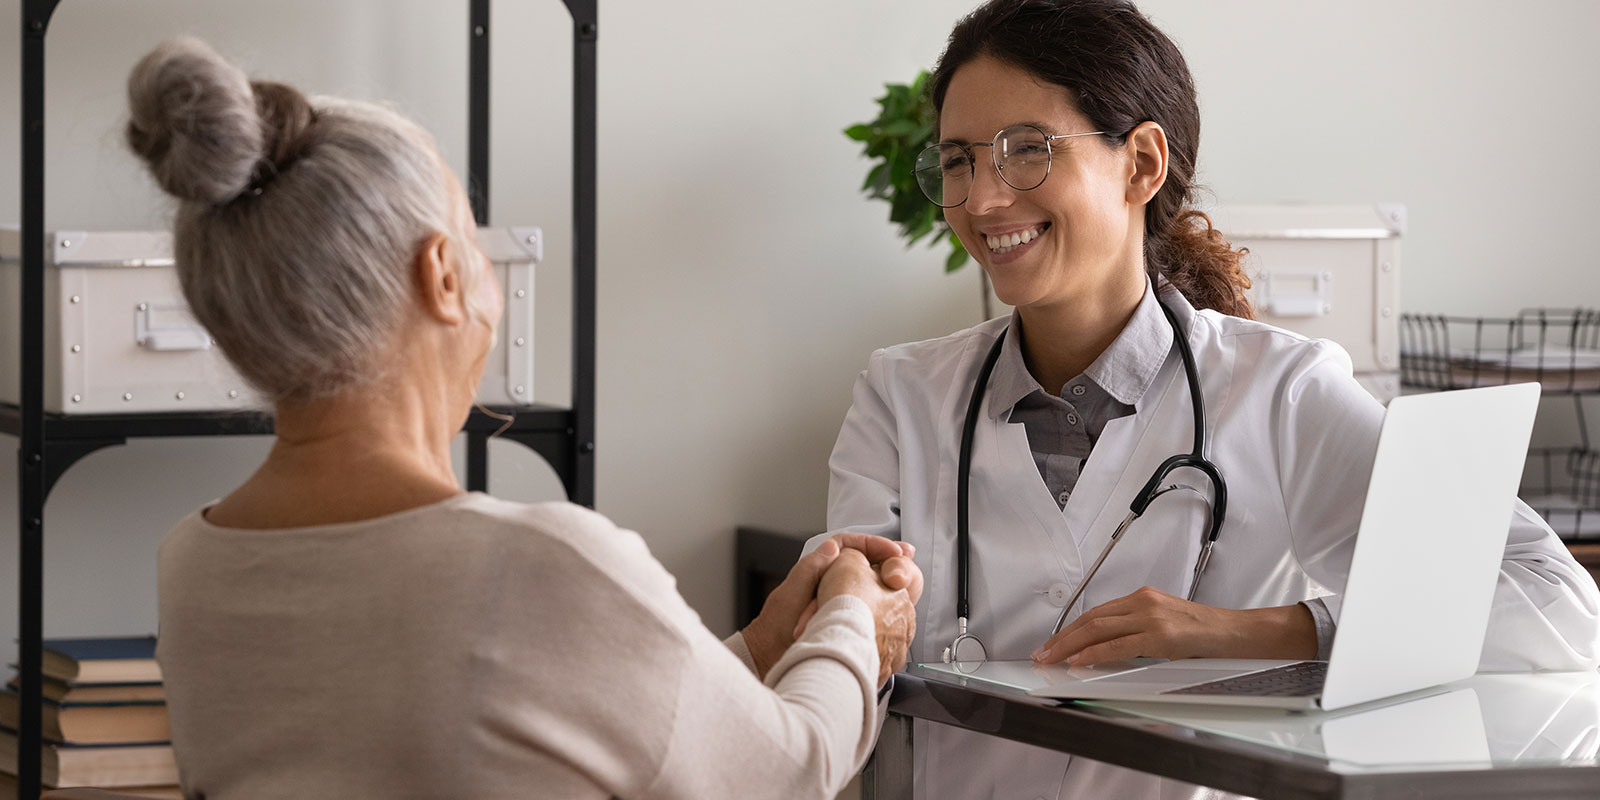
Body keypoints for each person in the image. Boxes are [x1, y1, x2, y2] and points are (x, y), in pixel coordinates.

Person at [821, 1, 1600, 798]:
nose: (982, 199)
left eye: (1027, 150)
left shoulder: (1280, 391)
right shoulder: (903, 395)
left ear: (1142, 164)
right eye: (958, 160)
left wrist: (1257, 633)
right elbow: (841, 663)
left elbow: (1554, 601)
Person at [128, 38, 924, 799]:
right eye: (472, 238)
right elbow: (790, 774)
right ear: (442, 275)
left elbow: (511, 726)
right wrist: (856, 620)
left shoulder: (191, 565)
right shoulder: (543, 562)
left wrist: (756, 650)